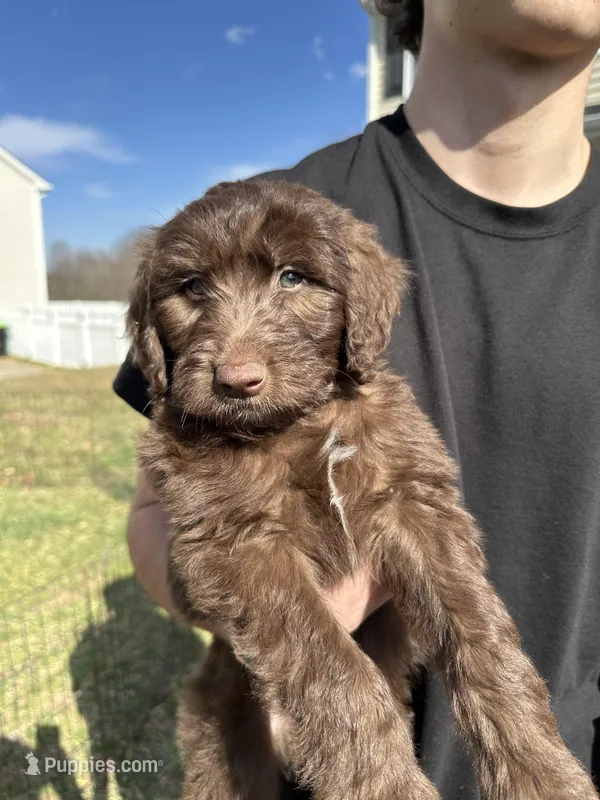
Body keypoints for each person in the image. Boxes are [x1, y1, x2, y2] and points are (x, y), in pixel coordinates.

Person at [113, 0, 600, 796]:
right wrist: (271, 619)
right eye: (194, 291)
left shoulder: (357, 314)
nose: (236, 362)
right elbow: (156, 523)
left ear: (362, 314)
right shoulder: (283, 201)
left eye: (293, 281)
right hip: (279, 757)